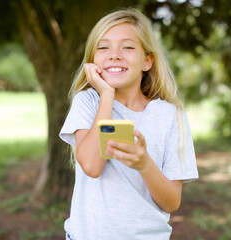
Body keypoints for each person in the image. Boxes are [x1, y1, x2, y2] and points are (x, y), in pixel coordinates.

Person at [59, 8, 198, 240]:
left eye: (128, 47)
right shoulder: (88, 102)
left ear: (147, 61)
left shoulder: (170, 116)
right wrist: (106, 94)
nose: (114, 55)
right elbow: (92, 166)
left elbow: (172, 202)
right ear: (93, 60)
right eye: (103, 47)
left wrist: (144, 164)